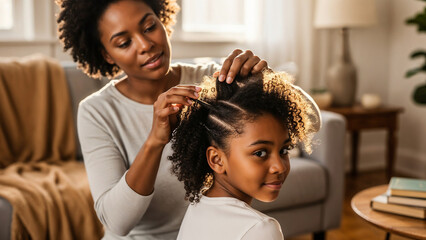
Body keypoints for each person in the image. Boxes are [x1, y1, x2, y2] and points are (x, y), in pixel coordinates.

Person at [56, 0, 269, 239]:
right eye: (124, 43)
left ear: (161, 19)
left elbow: (309, 121)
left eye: (149, 27)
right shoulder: (97, 111)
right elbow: (117, 222)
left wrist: (266, 84)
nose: (146, 44)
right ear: (107, 54)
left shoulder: (210, 82)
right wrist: (155, 141)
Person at [169, 70, 321, 240]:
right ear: (217, 159)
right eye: (260, 153)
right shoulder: (259, 229)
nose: (279, 166)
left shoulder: (198, 205)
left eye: (284, 150)